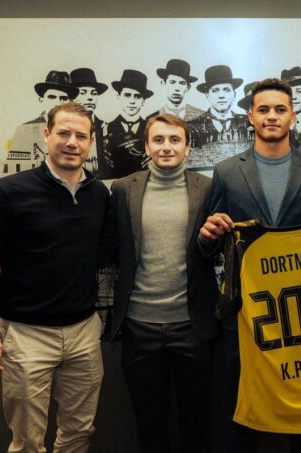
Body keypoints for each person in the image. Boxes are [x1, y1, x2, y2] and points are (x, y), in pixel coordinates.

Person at [0, 101, 111, 452]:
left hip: (84, 333)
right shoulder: (11, 191)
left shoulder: (99, 194)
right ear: (47, 135)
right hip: (26, 335)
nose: (72, 142)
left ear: (90, 142)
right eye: (63, 133)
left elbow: (106, 255)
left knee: (79, 433)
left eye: (80, 136)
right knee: (27, 441)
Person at [198, 78, 301, 453]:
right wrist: (207, 236)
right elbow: (210, 243)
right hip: (245, 313)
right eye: (263, 109)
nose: (272, 116)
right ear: (250, 117)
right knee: (242, 414)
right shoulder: (226, 171)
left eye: (280, 109)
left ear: (293, 115)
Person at [108, 114, 219, 452]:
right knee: (150, 428)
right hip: (139, 327)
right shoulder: (123, 189)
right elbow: (113, 249)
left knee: (196, 427)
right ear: (146, 147)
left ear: (188, 147)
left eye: (174, 140)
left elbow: (215, 249)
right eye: (158, 140)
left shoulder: (207, 188)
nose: (166, 147)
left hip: (193, 327)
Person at [5, 70, 79, 174]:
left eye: (63, 98)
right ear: (41, 100)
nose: (57, 103)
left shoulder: (78, 132)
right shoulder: (25, 130)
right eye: (52, 97)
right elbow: (12, 173)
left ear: (70, 103)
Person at [103, 69, 153, 179]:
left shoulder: (152, 128)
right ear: (118, 97)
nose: (132, 101)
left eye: (137, 96)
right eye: (127, 95)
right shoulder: (106, 129)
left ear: (143, 100)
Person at [191, 64, 248, 144]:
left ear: (234, 94)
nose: (221, 96)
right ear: (207, 95)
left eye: (226, 90)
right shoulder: (194, 123)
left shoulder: (247, 121)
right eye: (215, 90)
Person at [70, 67, 109, 176]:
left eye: (94, 93)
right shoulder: (63, 128)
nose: (90, 98)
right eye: (83, 93)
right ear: (71, 97)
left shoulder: (106, 127)